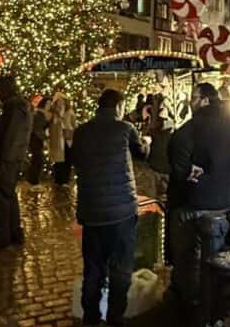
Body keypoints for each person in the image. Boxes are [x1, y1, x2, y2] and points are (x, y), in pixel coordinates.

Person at [167, 82, 230, 325]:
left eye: (193, 98)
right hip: (227, 203)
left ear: (204, 100)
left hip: (199, 204)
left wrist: (185, 174)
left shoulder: (193, 127)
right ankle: (216, 303)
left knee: (186, 253)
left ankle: (191, 301)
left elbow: (174, 151)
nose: (190, 102)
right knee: (216, 255)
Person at [72, 89, 150, 326]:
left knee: (93, 268)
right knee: (120, 268)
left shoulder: (82, 131)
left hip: (92, 210)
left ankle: (91, 317)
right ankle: (115, 317)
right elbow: (142, 155)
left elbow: (76, 161)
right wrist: (147, 143)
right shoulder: (125, 129)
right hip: (121, 212)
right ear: (118, 106)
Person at [0, 74, 33, 253]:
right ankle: (14, 233)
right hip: (12, 158)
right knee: (8, 196)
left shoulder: (13, 106)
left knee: (0, 199)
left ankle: (1, 237)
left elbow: (10, 135)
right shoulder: (19, 106)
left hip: (6, 160)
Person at [48, 91, 77, 186]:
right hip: (57, 139)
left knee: (68, 159)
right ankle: (59, 180)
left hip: (68, 138)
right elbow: (50, 124)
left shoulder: (69, 111)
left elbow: (73, 124)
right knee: (58, 161)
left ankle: (65, 179)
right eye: (58, 101)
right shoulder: (52, 113)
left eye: (62, 101)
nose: (60, 103)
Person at [26, 96, 49, 187]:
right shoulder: (39, 114)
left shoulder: (42, 114)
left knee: (37, 159)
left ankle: (33, 180)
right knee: (38, 159)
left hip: (36, 139)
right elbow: (38, 129)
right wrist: (45, 137)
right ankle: (33, 181)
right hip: (36, 139)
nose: (49, 106)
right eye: (48, 104)